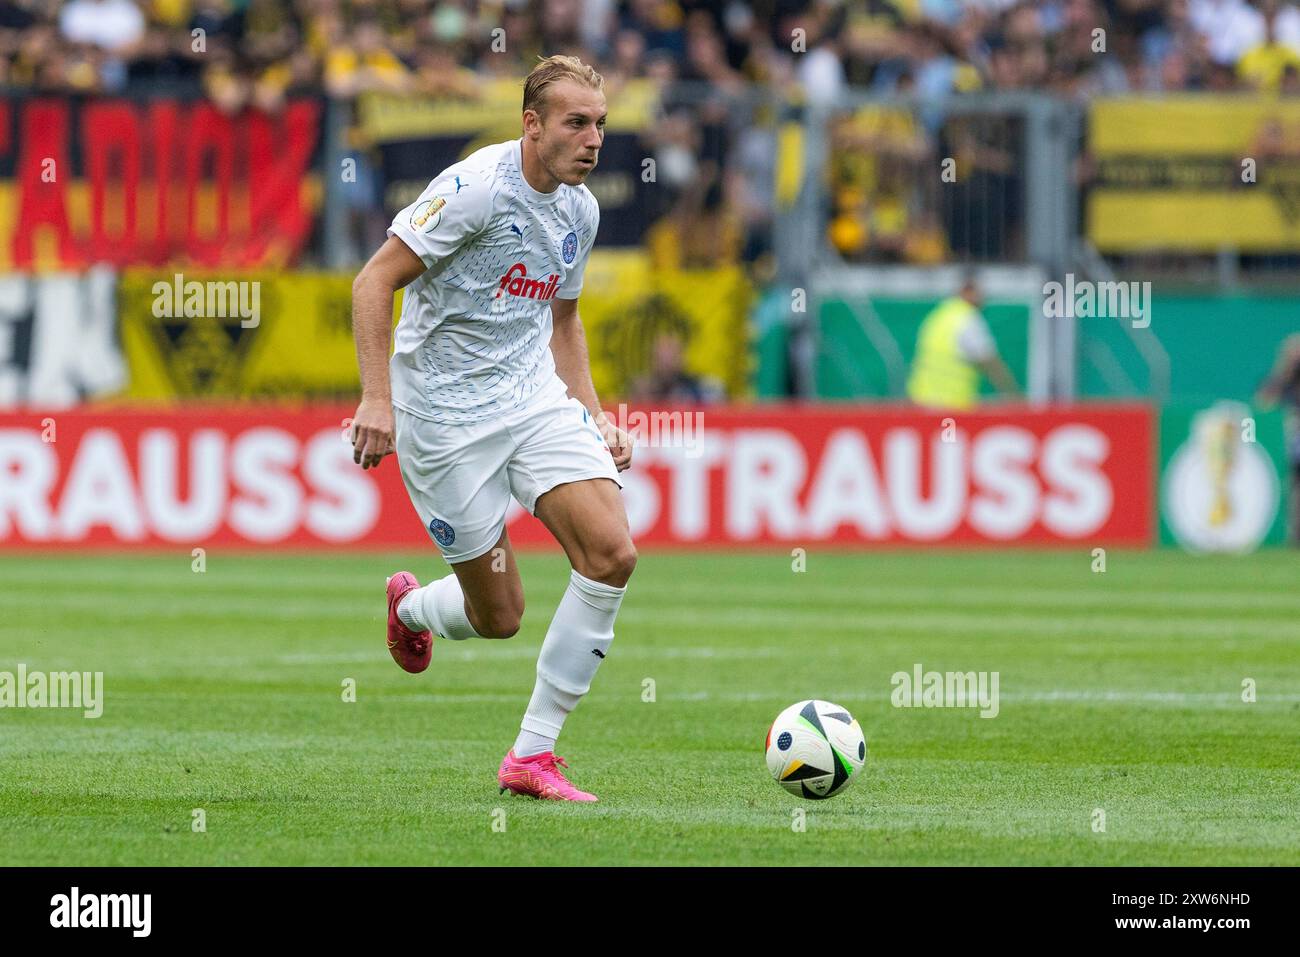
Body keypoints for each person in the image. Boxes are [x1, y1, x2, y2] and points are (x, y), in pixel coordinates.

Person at [348, 55, 635, 802]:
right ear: (531, 125)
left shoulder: (581, 209)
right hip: (444, 417)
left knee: (610, 553)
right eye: (577, 122)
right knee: (499, 614)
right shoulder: (475, 191)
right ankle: (411, 606)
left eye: (600, 124)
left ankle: (532, 755)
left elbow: (563, 319)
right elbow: (373, 280)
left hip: (531, 396)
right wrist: (376, 399)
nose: (593, 139)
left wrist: (595, 416)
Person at [905, 274, 1021, 409]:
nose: (983, 298)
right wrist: (1013, 395)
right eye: (980, 293)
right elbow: (989, 361)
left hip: (921, 401)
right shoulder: (967, 318)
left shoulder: (939, 315)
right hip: (952, 405)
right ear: (968, 292)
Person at [1256, 332, 1300, 543]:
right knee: (1290, 488)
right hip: (1288, 442)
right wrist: (1283, 371)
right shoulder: (1281, 382)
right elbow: (1263, 403)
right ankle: (1293, 533)